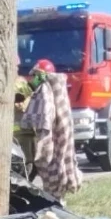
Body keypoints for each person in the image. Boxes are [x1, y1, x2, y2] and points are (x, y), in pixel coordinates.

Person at [21, 59, 82, 197]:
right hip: (28, 146)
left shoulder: (45, 92)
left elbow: (44, 119)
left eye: (36, 75)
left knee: (24, 181)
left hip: (31, 147)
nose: (33, 78)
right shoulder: (39, 91)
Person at [14, 56, 37, 180]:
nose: (16, 69)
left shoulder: (21, 83)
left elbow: (25, 103)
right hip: (15, 133)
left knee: (30, 162)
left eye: (17, 66)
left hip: (26, 132)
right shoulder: (9, 83)